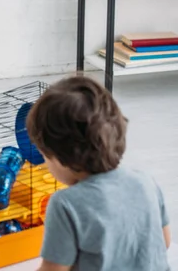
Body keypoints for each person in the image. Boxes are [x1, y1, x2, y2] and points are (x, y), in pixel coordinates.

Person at [26, 76, 171, 271]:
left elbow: (54, 270)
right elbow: (164, 242)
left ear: (59, 157)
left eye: (44, 156)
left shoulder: (66, 203)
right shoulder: (145, 181)